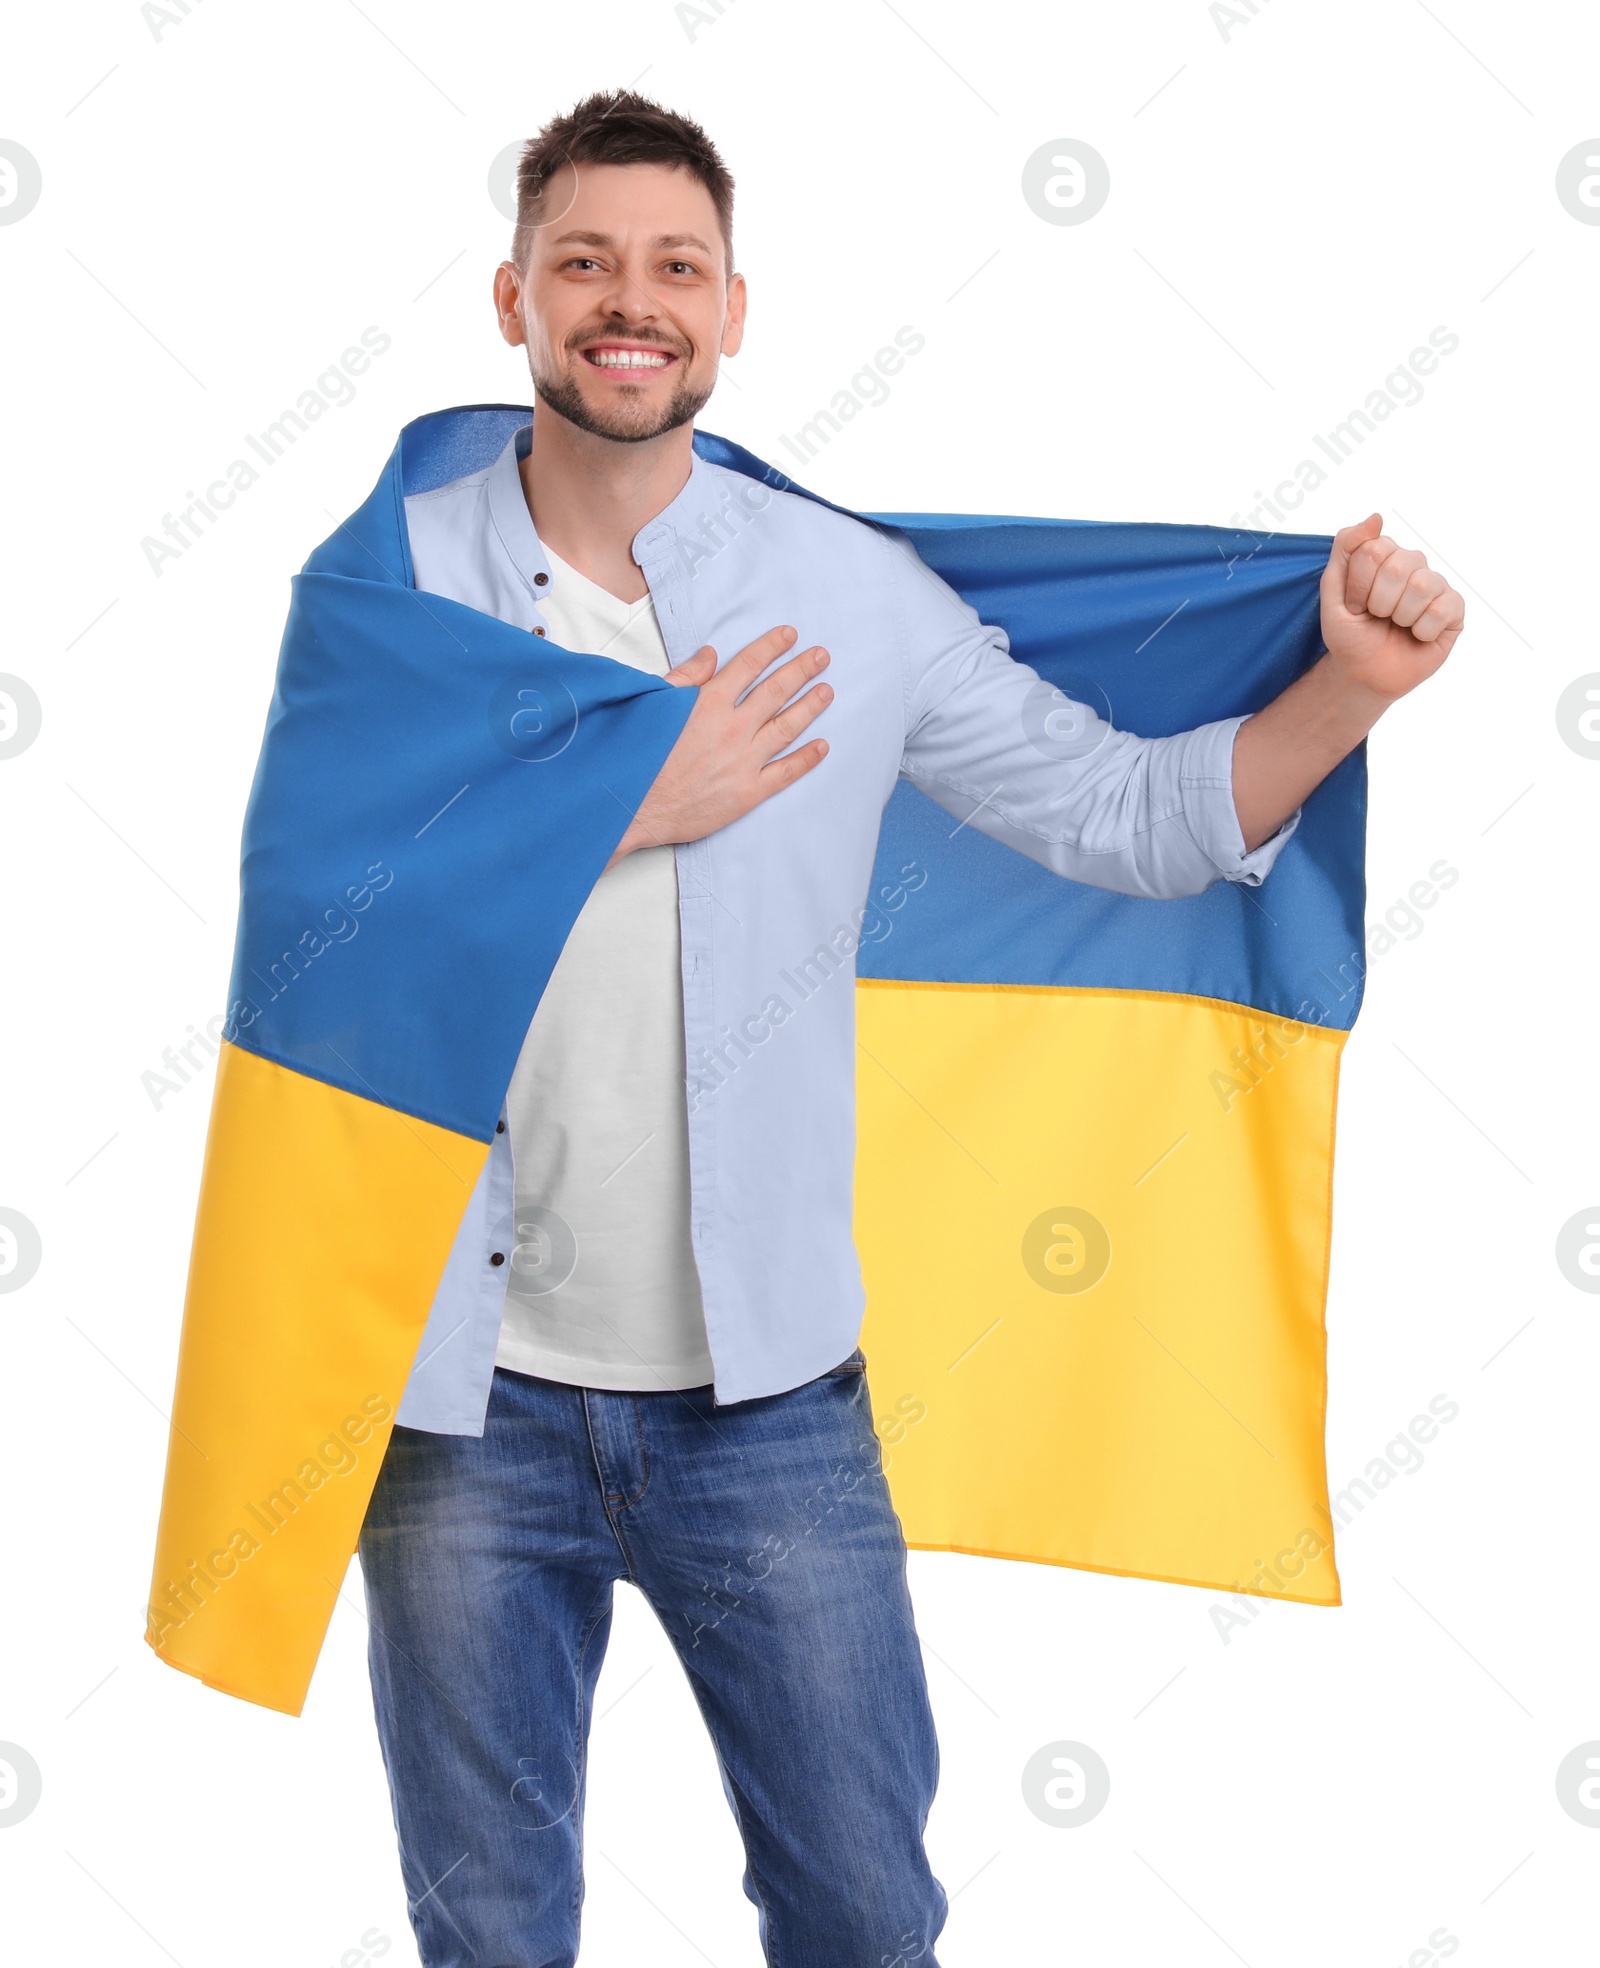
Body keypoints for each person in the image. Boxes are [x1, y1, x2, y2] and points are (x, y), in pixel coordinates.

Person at [355, 90, 1465, 1968]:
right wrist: (640, 792)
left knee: (866, 1916)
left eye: (674, 267)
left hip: (766, 1406)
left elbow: (1127, 817)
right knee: (487, 1935)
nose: (633, 302)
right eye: (586, 265)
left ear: (730, 313)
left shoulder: (845, 596)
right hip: (455, 1394)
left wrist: (1352, 687)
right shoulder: (385, 569)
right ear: (513, 300)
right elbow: (335, 878)